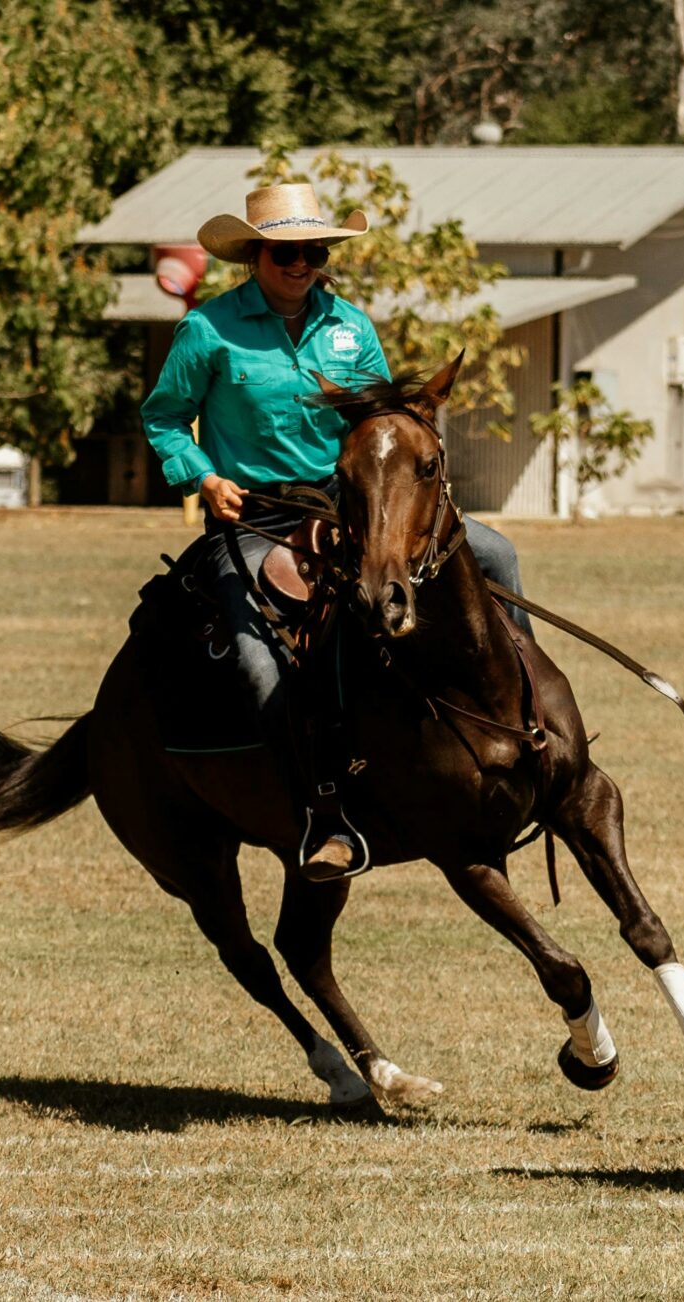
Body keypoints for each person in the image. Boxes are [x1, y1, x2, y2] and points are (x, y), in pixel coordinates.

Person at [141, 181, 529, 880]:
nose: (301, 263)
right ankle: (324, 811)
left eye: (313, 251)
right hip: (254, 516)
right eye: (286, 252)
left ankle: (527, 726)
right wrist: (203, 477)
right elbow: (164, 417)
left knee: (496, 554)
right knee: (260, 663)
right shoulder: (207, 329)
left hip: (348, 507)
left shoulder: (351, 324)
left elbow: (381, 418)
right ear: (256, 254)